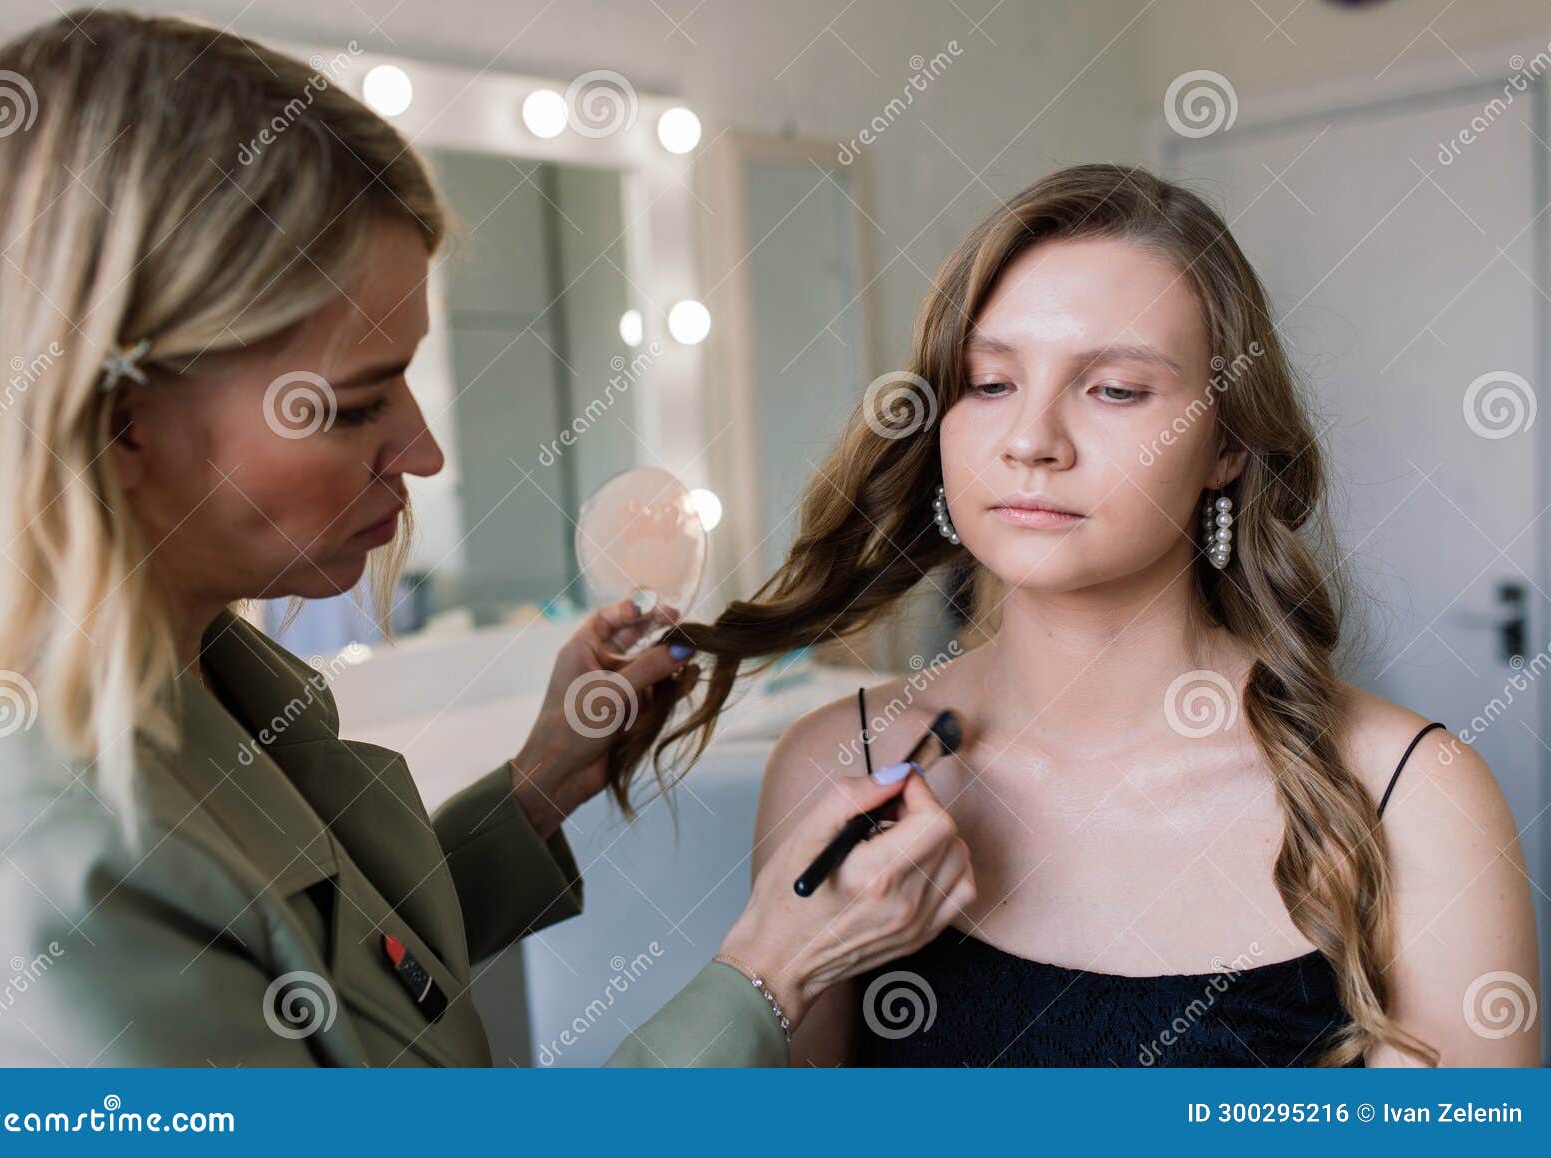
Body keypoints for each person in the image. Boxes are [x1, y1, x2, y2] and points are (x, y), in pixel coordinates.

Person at [0, 10, 975, 1067]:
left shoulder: (208, 668)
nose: (427, 453)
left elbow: (336, 986)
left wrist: (539, 786)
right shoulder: (33, 864)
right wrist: (768, 974)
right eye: (353, 406)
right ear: (114, 420)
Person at [622, 165, 1542, 1067]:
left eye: (1114, 390)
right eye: (988, 382)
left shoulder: (1411, 799)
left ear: (1225, 443)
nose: (1031, 441)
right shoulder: (837, 768)